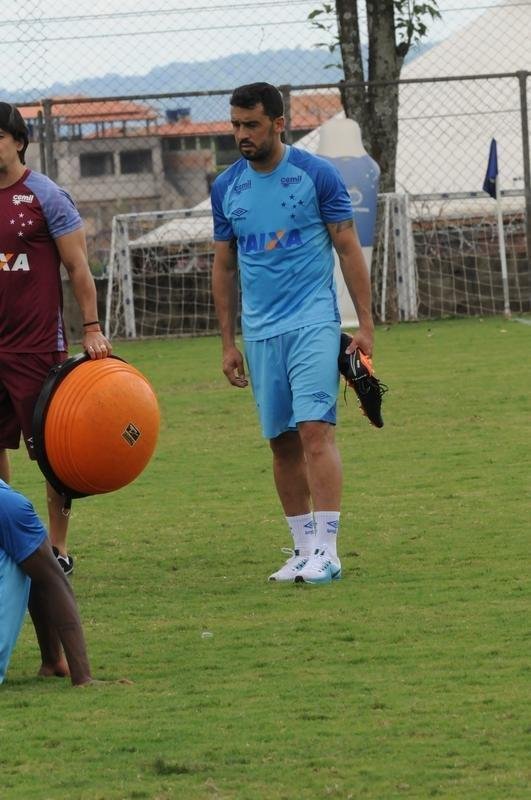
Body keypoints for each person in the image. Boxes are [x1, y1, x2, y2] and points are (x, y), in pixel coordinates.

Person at [211, 82, 375, 585]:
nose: (242, 134)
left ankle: (328, 549)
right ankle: (303, 549)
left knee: (314, 431)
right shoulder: (226, 187)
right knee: (281, 443)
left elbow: (347, 248)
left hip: (312, 322)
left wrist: (365, 325)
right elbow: (224, 267)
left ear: (278, 124)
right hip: (260, 333)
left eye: (252, 124)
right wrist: (228, 343)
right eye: (236, 125)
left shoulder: (316, 175)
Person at [0, 102, 112, 575]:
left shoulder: (45, 195)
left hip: (38, 347)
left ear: (19, 141)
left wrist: (92, 327)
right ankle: (6, 542)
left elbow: (78, 267)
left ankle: (59, 550)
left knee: (51, 451)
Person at [0, 479, 92, 686]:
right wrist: (83, 676)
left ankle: (52, 660)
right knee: (25, 554)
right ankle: (59, 663)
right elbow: (54, 581)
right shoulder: (8, 505)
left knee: (24, 551)